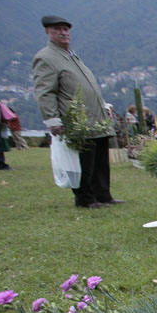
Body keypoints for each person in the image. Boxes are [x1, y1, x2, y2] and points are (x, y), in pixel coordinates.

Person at [32, 15, 121, 209]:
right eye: (58, 29)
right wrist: (53, 120)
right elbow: (45, 91)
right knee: (84, 162)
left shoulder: (72, 55)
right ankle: (85, 198)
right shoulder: (46, 57)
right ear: (48, 32)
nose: (64, 33)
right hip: (78, 120)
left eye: (66, 29)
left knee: (100, 160)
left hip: (95, 118)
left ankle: (103, 194)